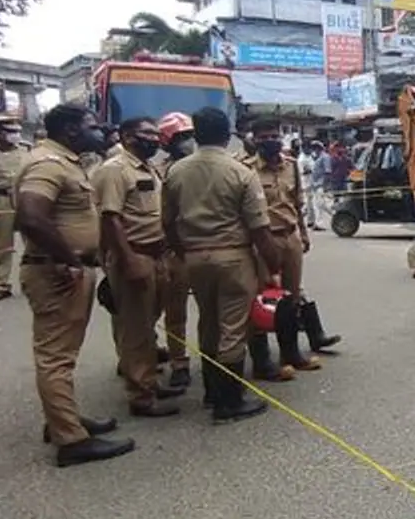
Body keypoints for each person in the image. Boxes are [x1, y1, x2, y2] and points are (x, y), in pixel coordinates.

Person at [14, 104, 134, 466]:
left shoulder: (64, 161)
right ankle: (71, 440)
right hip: (57, 273)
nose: (100, 133)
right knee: (56, 358)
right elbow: (31, 217)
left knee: (63, 354)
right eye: (93, 127)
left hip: (67, 269)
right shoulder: (48, 163)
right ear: (70, 130)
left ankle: (62, 419)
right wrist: (68, 258)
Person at [163, 106, 278, 422]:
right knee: (233, 327)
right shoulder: (241, 172)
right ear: (228, 135)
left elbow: (168, 222)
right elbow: (259, 228)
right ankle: (230, 402)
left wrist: (183, 252)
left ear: (195, 135)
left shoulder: (175, 171)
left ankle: (212, 393)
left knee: (208, 322)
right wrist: (273, 266)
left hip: (195, 257)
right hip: (233, 256)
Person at [92, 116, 180, 417]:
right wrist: (127, 260)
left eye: (157, 134)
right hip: (135, 255)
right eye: (147, 134)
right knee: (135, 328)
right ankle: (141, 395)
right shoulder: (115, 170)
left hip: (155, 254)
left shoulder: (148, 168)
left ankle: (149, 380)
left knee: (148, 321)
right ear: (127, 136)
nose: (154, 139)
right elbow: (110, 218)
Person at [245, 119, 342, 374]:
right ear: (254, 140)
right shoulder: (246, 170)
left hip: (291, 238)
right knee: (262, 299)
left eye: (274, 135)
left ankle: (291, 354)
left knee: (291, 298)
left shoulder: (291, 166)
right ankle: (262, 361)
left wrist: (303, 233)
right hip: (263, 239)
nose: (270, 140)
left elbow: (297, 203)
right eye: (264, 136)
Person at [156, 112, 198, 388]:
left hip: (206, 245)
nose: (188, 142)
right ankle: (179, 362)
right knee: (175, 312)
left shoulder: (207, 165)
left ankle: (220, 361)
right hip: (174, 250)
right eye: (181, 137)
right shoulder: (157, 171)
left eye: (190, 136)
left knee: (216, 310)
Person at [0, 118, 32, 301]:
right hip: (0, 198)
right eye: (10, 131)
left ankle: (31, 281)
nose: (15, 135)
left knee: (32, 243)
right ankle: (1, 284)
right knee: (3, 245)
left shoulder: (26, 149)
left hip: (25, 198)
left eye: (17, 131)